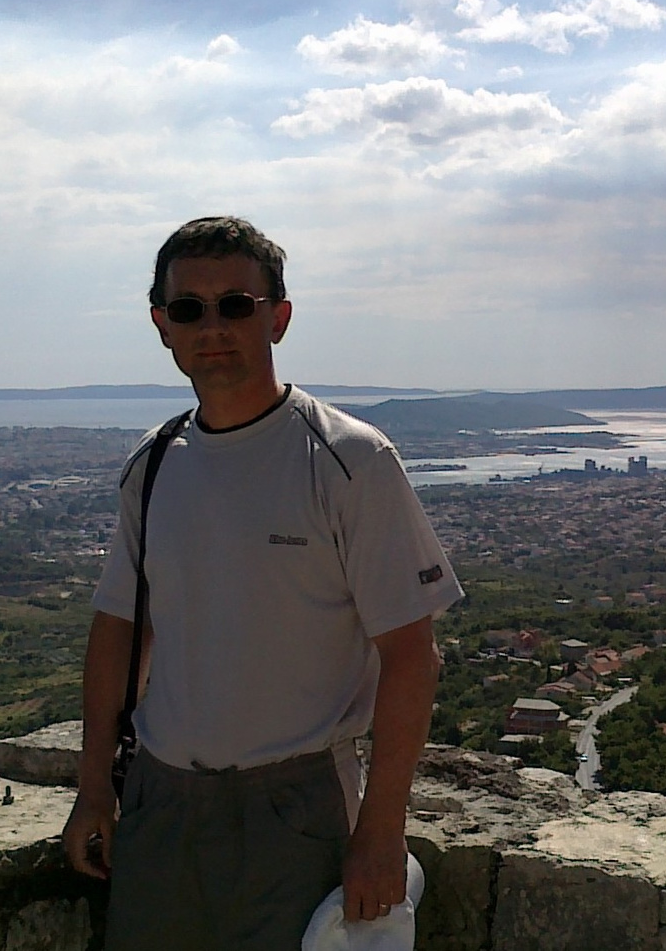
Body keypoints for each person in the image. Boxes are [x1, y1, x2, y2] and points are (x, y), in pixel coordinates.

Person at [61, 216, 462, 951]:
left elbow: (412, 654)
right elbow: (120, 627)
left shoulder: (349, 460)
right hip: (160, 803)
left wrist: (381, 827)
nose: (212, 326)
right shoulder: (152, 468)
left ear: (277, 317)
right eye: (189, 309)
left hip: (298, 807)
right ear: (162, 326)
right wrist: (95, 784)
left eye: (235, 305)